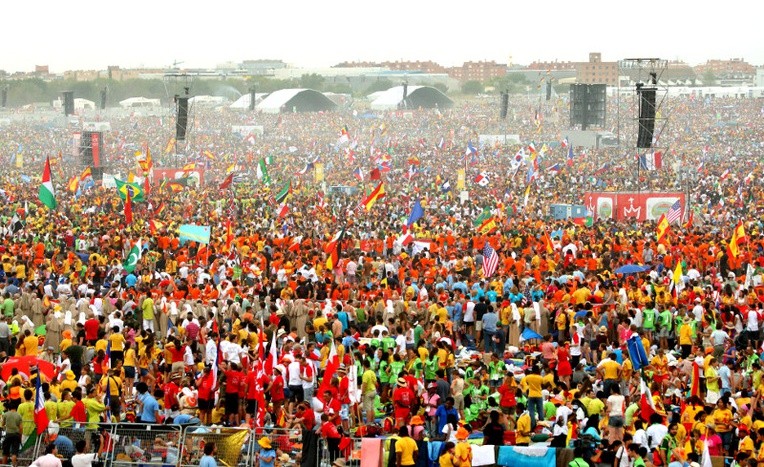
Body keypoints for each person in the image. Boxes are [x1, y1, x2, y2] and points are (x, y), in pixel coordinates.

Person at [1, 399, 22, 467]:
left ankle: (3, 465)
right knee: (14, 452)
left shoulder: (6, 414)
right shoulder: (19, 415)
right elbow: (21, 427)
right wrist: (20, 436)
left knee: (5, 452)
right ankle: (14, 465)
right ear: (16, 408)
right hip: (16, 435)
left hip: (8, 434)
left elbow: (2, 424)